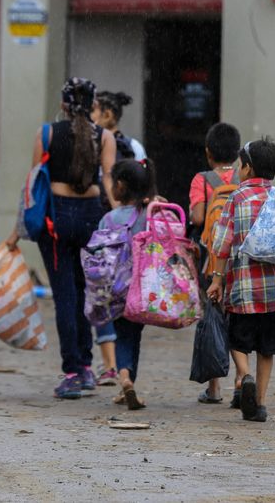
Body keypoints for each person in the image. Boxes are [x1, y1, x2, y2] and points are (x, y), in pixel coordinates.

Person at [6, 77, 116, 399]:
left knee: (65, 296)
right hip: (91, 218)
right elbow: (108, 182)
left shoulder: (46, 134)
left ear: (63, 105)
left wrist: (16, 232)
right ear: (94, 105)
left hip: (57, 220)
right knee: (87, 293)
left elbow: (34, 186)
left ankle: (72, 371)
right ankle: (86, 366)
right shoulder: (105, 137)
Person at [207, 138, 275, 423]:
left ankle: (244, 375)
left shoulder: (237, 198)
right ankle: (262, 403)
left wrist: (217, 279)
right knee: (267, 348)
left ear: (247, 168)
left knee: (237, 340)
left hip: (243, 286)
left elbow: (221, 243)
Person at [99, 158, 158, 411]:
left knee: (122, 334)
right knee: (133, 336)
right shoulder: (149, 216)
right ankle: (128, 380)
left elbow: (98, 253)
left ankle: (125, 379)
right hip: (144, 288)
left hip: (116, 288)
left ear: (120, 186)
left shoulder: (109, 219)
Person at [188, 122, 240, 405]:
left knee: (214, 317)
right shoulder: (243, 177)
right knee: (236, 319)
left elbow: (197, 218)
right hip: (240, 260)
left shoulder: (202, 179)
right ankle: (242, 378)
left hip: (212, 259)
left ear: (208, 152)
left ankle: (214, 388)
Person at [92, 91, 146, 161]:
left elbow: (142, 169)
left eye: (91, 110)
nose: (86, 114)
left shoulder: (133, 147)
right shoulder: (88, 143)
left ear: (107, 115)